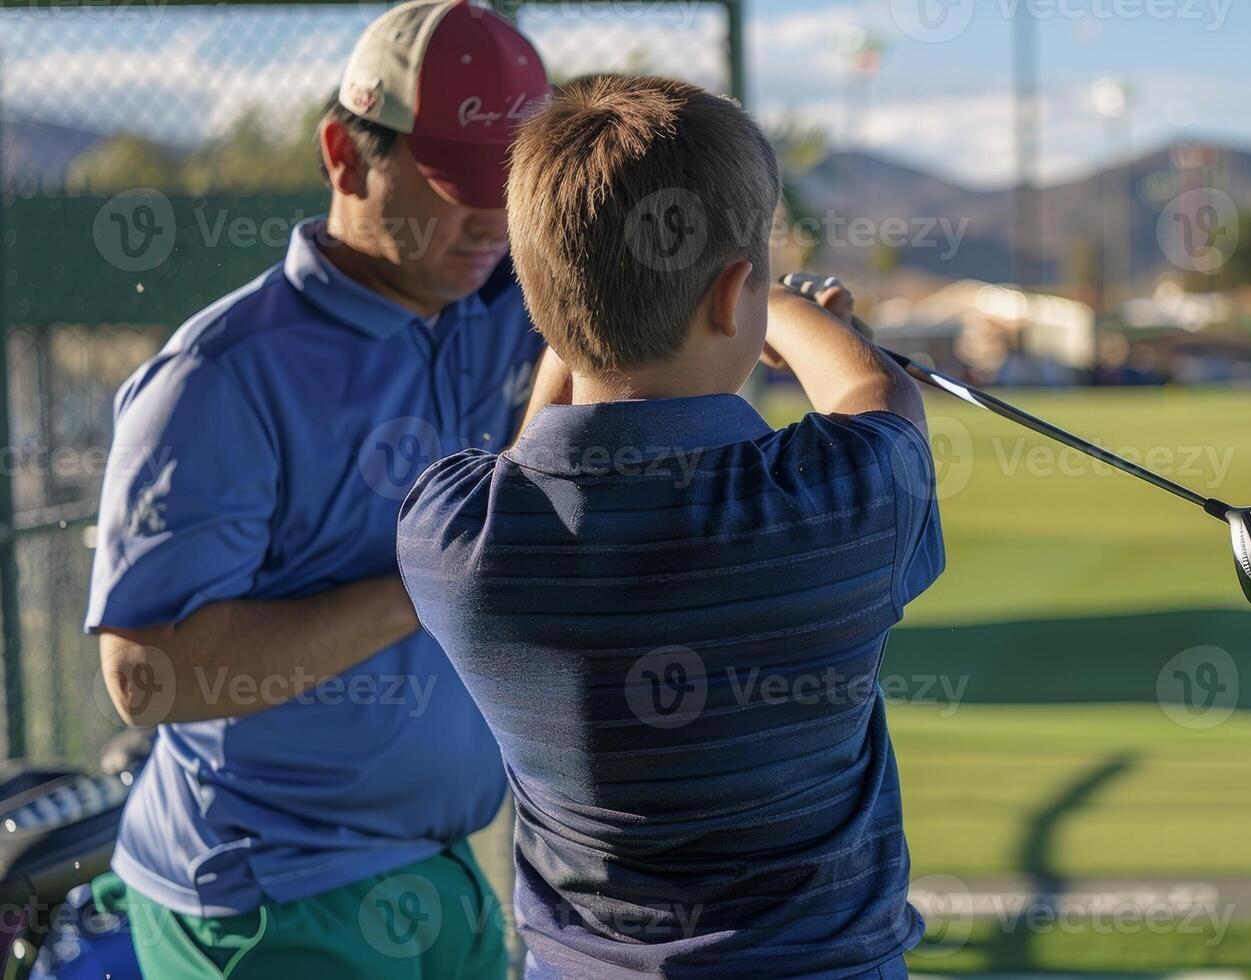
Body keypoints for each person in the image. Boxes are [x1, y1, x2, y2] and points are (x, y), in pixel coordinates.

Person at [396, 75, 946, 978]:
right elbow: (875, 395)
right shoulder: (842, 501)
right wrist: (799, 318)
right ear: (735, 294)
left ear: (540, 305)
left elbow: (535, 444)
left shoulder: (452, 536)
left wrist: (608, 313)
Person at [83, 1, 550, 974]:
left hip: (443, 871)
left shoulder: (498, 298)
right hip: (268, 901)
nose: (493, 221)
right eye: (457, 182)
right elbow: (145, 675)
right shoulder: (219, 376)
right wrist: (433, 578)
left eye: (514, 189)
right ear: (345, 155)